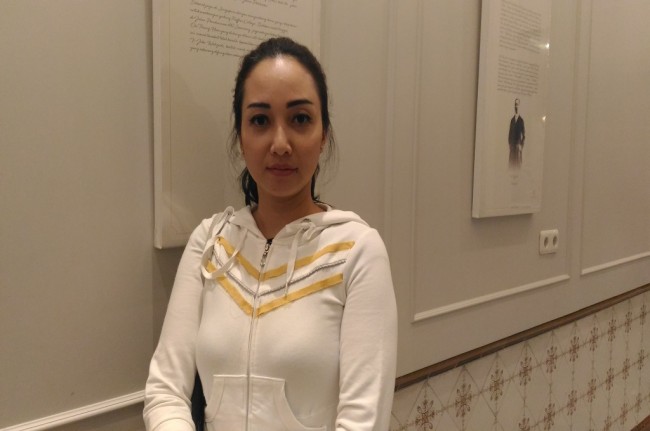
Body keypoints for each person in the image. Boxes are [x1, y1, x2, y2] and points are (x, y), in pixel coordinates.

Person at [143, 37, 398, 431]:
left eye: (300, 119)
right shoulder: (210, 243)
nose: (280, 144)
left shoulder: (357, 252)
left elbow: (362, 421)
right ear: (240, 136)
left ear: (323, 134)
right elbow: (165, 391)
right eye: (260, 121)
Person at [508, 98, 525, 168]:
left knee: (517, 166)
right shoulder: (512, 120)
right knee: (511, 166)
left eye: (517, 104)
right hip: (512, 148)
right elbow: (509, 133)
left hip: (518, 148)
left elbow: (524, 135)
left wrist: (521, 145)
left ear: (519, 106)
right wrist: (510, 144)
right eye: (515, 104)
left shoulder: (521, 120)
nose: (516, 106)